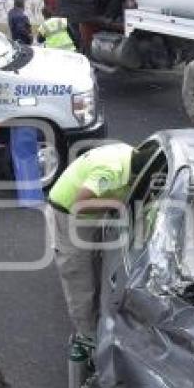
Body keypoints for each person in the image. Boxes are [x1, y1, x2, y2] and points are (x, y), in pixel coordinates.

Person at [48, 143, 142, 353]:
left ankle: (99, 320)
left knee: (98, 265)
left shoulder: (132, 154)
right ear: (135, 175)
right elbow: (79, 204)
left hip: (93, 210)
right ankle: (88, 337)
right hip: (71, 212)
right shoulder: (111, 171)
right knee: (81, 275)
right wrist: (116, 205)